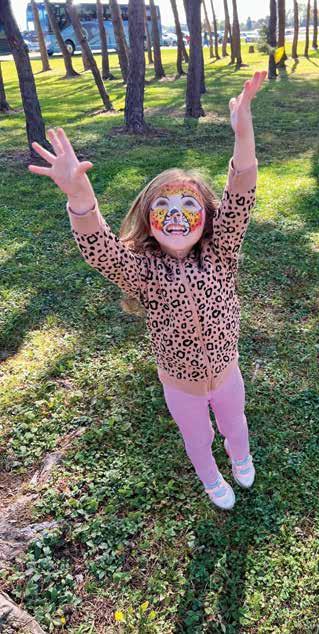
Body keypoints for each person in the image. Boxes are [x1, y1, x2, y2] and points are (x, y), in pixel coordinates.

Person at [28, 71, 267, 511]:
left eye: (188, 206)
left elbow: (241, 194)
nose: (176, 216)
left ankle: (241, 457)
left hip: (227, 371)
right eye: (163, 206)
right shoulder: (143, 270)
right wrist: (81, 198)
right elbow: (100, 250)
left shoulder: (222, 250)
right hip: (180, 385)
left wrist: (243, 133)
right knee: (197, 437)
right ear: (148, 220)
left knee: (235, 422)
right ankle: (211, 477)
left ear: (207, 217)